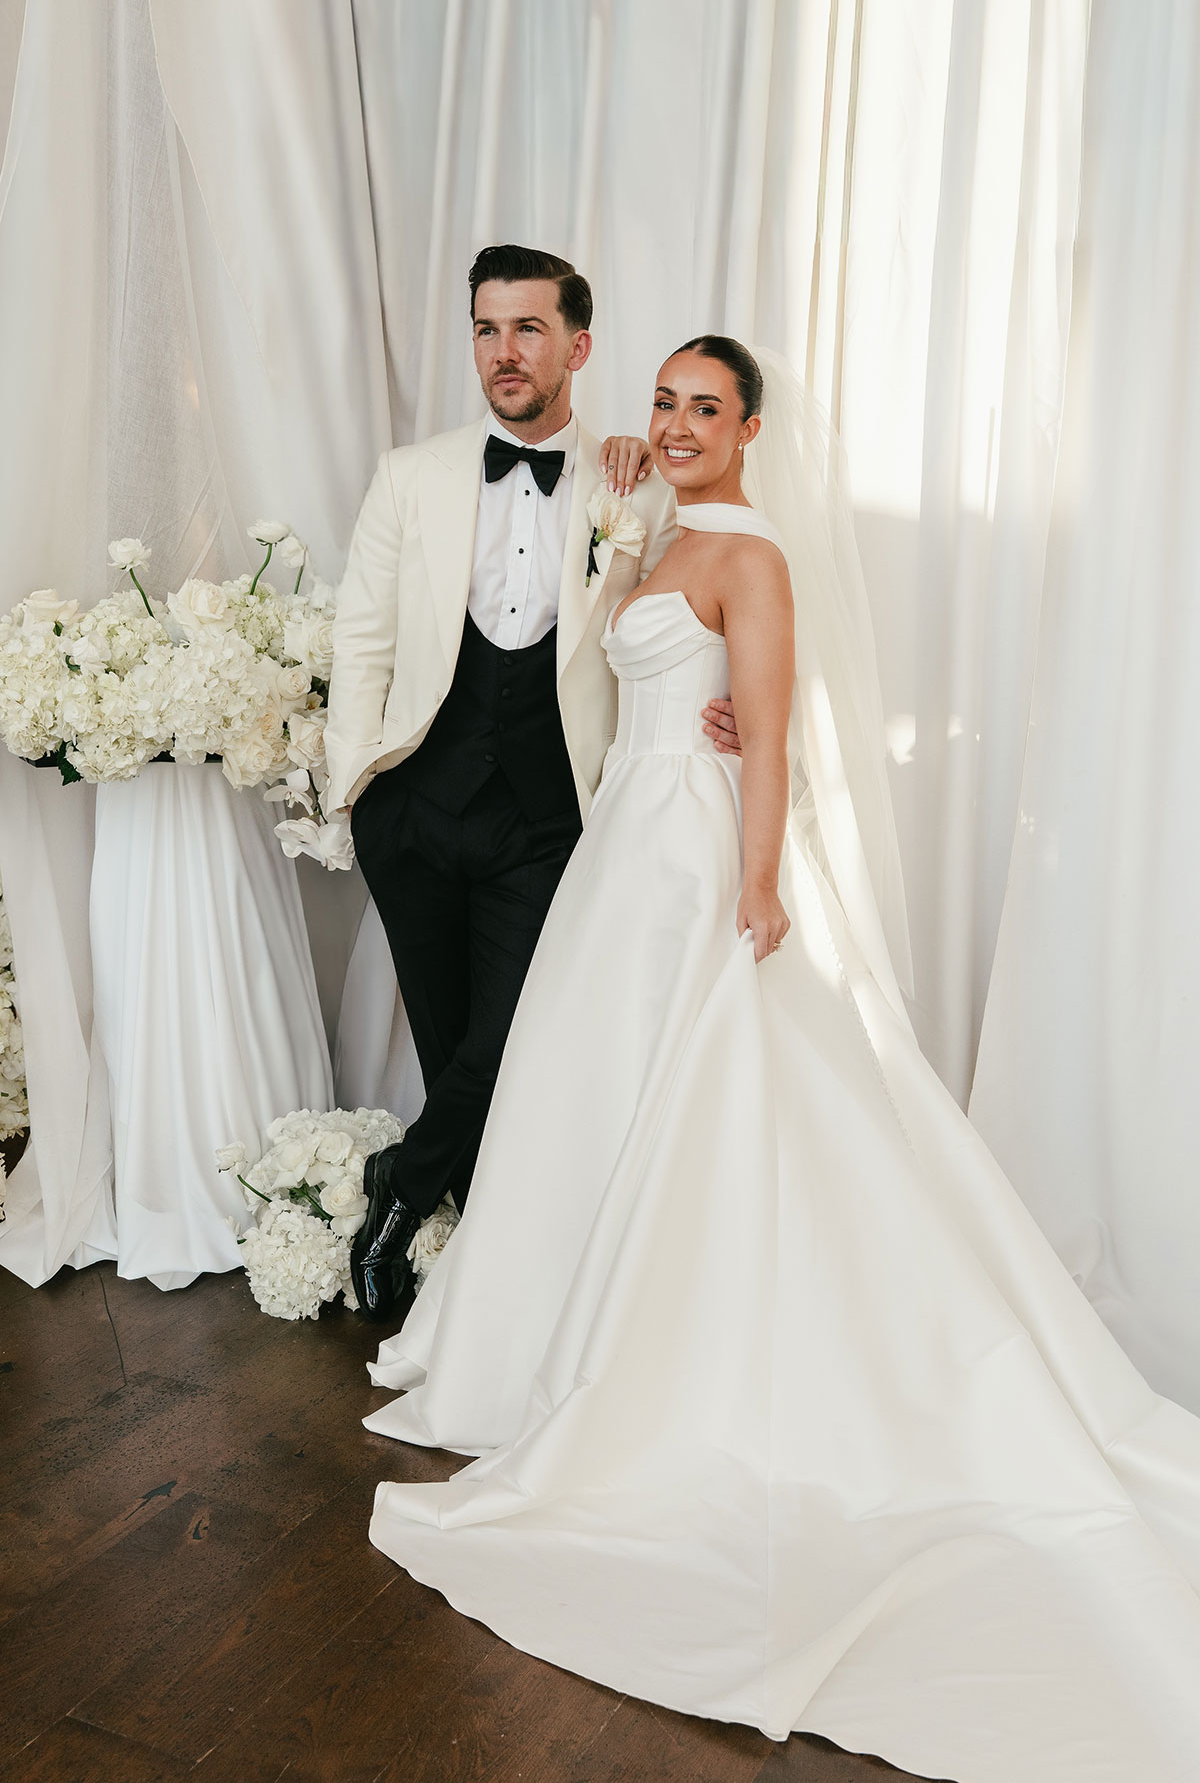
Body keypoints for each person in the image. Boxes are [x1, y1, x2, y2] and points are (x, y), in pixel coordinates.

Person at [362, 338, 1200, 1782]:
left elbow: (771, 744)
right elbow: (621, 641)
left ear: (753, 428)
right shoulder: (661, 525)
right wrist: (626, 508)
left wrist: (757, 884)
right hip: (625, 839)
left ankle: (670, 1355)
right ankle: (545, 1339)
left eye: (708, 408)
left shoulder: (752, 556)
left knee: (705, 1100)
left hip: (691, 856)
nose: (679, 425)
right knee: (592, 1098)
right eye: (665, 403)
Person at [325, 245, 742, 1322]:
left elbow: (697, 608)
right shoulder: (408, 475)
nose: (503, 354)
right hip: (413, 807)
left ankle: (399, 1190)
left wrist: (731, 706)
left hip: (550, 818)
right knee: (449, 1038)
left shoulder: (634, 486)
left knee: (511, 1038)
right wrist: (356, 800)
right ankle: (478, 1257)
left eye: (526, 330)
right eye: (484, 329)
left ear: (577, 345)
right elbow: (361, 647)